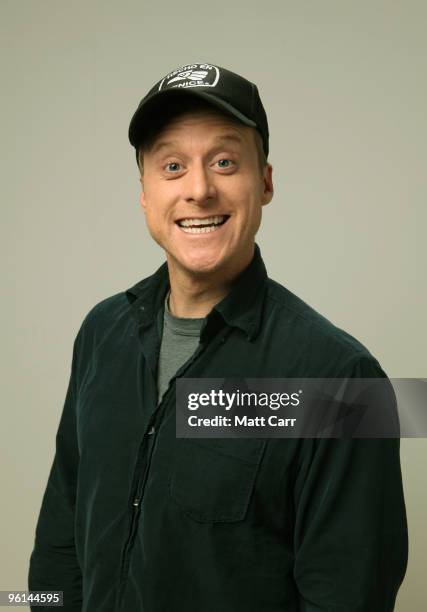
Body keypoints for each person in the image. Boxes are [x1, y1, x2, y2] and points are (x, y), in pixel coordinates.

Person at [28, 62, 408, 611]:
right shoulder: (99, 334)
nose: (199, 189)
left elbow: (348, 598)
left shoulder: (343, 381)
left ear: (267, 182)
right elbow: (61, 535)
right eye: (173, 165)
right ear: (144, 193)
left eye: (225, 162)